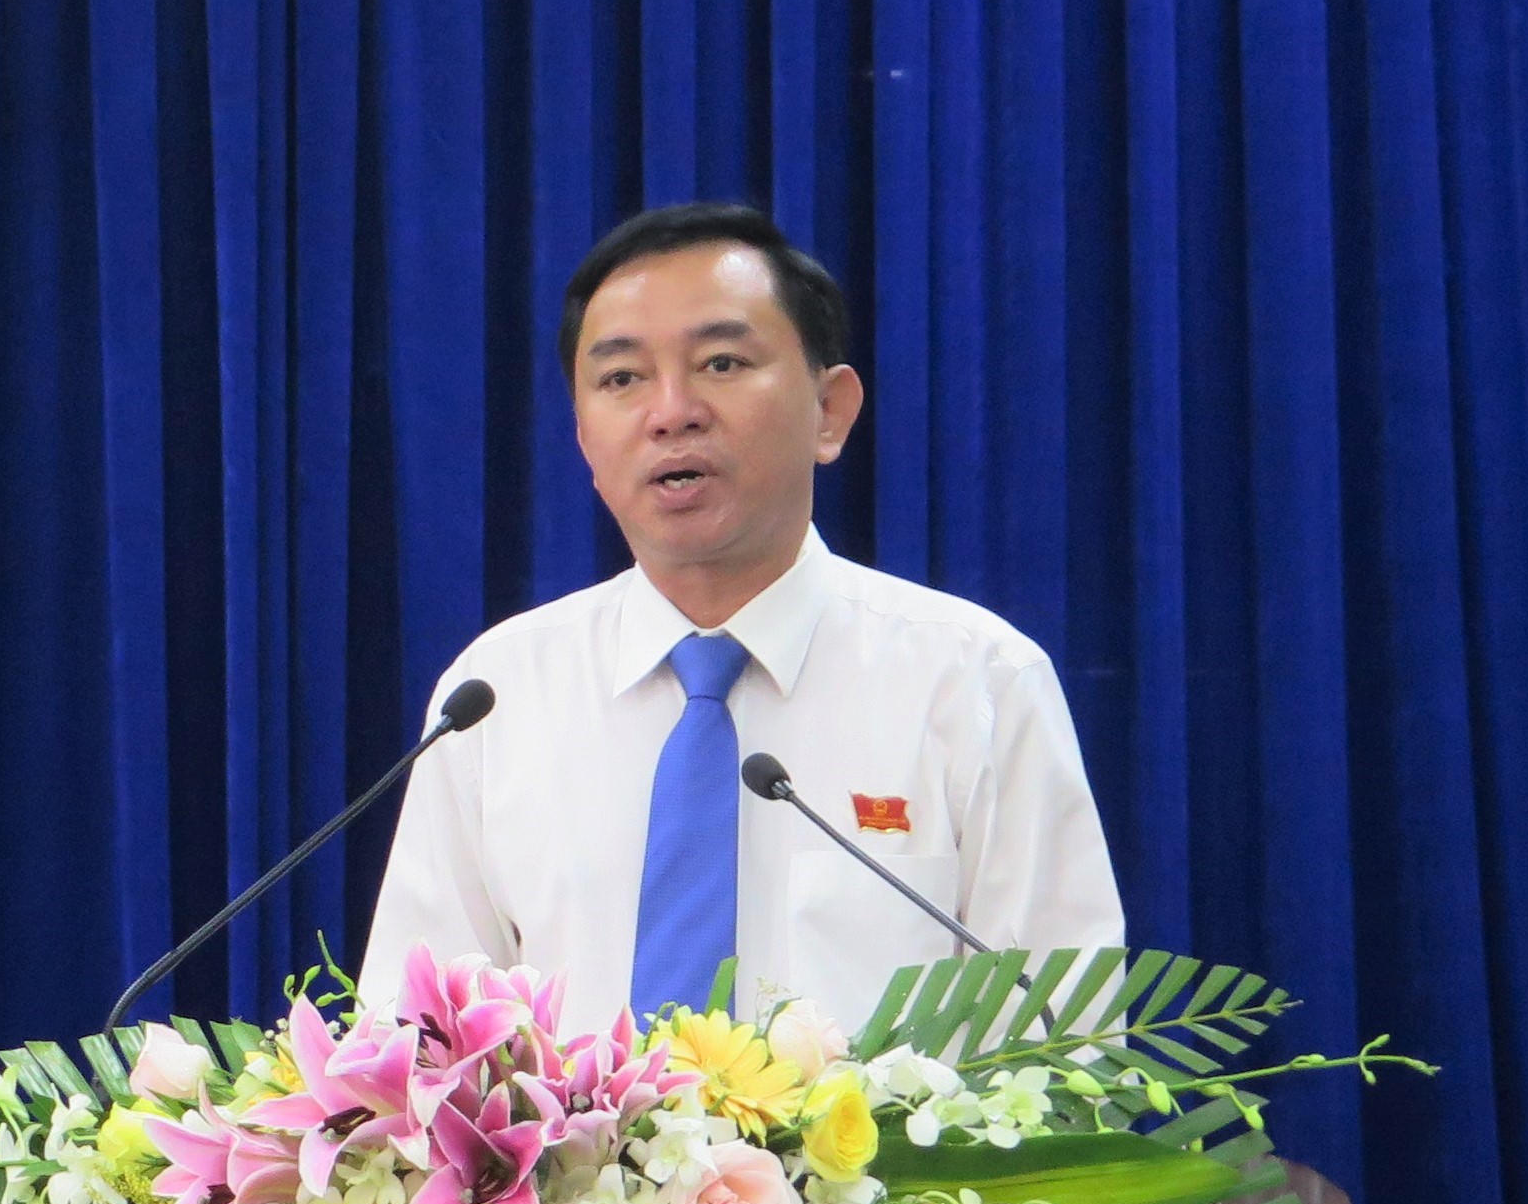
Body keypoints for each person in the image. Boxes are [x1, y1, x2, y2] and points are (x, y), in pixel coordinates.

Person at [356, 203, 1123, 1038]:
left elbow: (1066, 1046)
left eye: (721, 363)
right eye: (622, 378)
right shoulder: (496, 695)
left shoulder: (976, 683)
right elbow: (412, 1043)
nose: (671, 411)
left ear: (830, 410)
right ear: (583, 438)